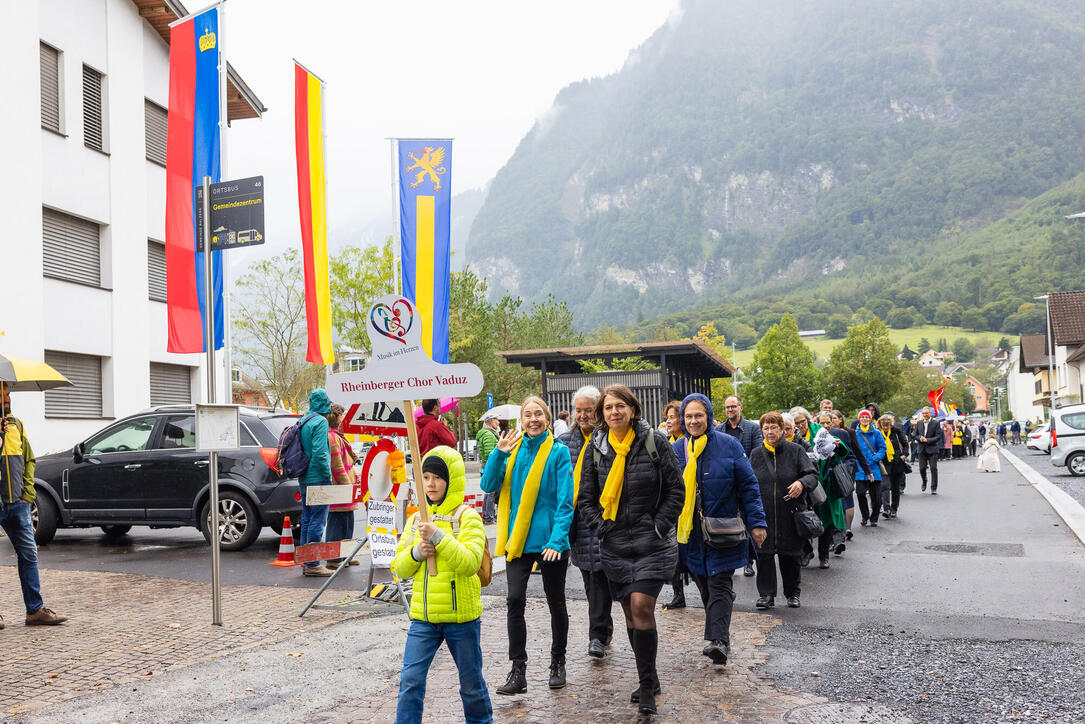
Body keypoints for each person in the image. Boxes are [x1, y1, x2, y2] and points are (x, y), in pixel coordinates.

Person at [578, 385, 685, 714]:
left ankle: (647, 689)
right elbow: (585, 498)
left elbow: (676, 489)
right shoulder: (596, 448)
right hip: (615, 545)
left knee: (641, 606)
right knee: (628, 611)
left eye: (620, 406)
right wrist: (600, 526)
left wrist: (660, 524)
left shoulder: (655, 442)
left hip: (651, 543)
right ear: (602, 414)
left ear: (632, 409)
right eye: (608, 408)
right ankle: (648, 677)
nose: (614, 412)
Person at [481, 396, 574, 695]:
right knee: (514, 600)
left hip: (549, 542)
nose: (533, 419)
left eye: (538, 414)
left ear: (547, 419)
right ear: (521, 420)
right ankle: (517, 670)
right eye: (528, 415)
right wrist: (498, 453)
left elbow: (565, 501)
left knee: (555, 601)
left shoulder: (558, 453)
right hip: (517, 539)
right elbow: (487, 485)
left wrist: (558, 540)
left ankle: (557, 662)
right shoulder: (511, 450)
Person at [667, 394, 765, 673]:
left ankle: (718, 641)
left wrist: (757, 523)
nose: (694, 421)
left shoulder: (729, 445)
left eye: (699, 415)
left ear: (709, 417)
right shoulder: (676, 450)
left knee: (720, 583)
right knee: (706, 587)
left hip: (723, 530)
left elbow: (748, 486)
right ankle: (721, 627)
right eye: (688, 416)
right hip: (690, 536)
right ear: (683, 419)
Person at [393, 446, 491, 724]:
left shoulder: (467, 516)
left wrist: (438, 537)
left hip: (461, 618)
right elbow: (399, 568)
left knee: (471, 686)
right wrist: (416, 553)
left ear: (452, 480)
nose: (431, 484)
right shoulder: (415, 519)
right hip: (423, 618)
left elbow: (470, 563)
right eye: (425, 477)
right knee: (410, 682)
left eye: (438, 477)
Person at [0, 382, 67, 628]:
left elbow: (29, 459)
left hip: (17, 502)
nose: (7, 397)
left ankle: (35, 610)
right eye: (3, 393)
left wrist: (27, 493)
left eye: (8, 393)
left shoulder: (15, 425)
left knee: (28, 554)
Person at [560, 386, 614, 658]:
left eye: (588, 410)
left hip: (603, 518)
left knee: (600, 575)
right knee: (589, 577)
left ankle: (597, 634)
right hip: (577, 522)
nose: (583, 415)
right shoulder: (563, 442)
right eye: (579, 410)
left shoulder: (609, 439)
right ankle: (603, 626)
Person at [749, 412, 817, 609]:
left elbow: (812, 475)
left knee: (791, 555)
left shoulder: (795, 451)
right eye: (766, 428)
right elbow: (748, 483)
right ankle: (766, 595)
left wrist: (801, 483)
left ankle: (792, 593)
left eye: (774, 427)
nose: (770, 432)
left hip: (791, 513)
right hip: (764, 514)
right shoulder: (756, 454)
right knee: (764, 556)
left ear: (782, 430)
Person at [299, 389, 334, 577]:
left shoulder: (304, 420)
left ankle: (306, 561)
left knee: (307, 519)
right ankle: (313, 563)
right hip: (318, 477)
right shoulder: (320, 422)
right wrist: (328, 475)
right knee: (318, 521)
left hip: (304, 477)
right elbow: (320, 453)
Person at [659, 400, 688, 609]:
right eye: (667, 418)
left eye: (672, 417)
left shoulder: (689, 442)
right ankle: (679, 594)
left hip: (690, 504)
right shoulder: (663, 442)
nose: (668, 421)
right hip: (672, 506)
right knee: (674, 552)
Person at [326, 403, 360, 568]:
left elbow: (348, 462)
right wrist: (348, 487)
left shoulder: (339, 436)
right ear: (335, 417)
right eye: (342, 416)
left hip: (347, 485)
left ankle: (346, 555)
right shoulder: (332, 437)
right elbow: (337, 466)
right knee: (337, 522)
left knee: (347, 521)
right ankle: (334, 558)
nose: (344, 419)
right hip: (341, 488)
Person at [853, 409, 887, 527]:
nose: (865, 419)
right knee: (860, 494)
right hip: (860, 469)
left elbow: (883, 448)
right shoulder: (855, 433)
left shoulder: (876, 433)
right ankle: (865, 516)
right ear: (859, 419)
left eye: (867, 417)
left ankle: (874, 518)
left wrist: (875, 458)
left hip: (874, 468)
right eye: (862, 417)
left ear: (870, 419)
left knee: (877, 498)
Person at [877, 414, 908, 519]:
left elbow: (905, 444)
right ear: (880, 425)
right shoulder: (877, 433)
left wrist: (904, 454)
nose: (885, 427)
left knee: (895, 488)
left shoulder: (896, 431)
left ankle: (894, 508)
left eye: (887, 425)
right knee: (885, 486)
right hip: (883, 462)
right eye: (883, 425)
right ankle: (886, 508)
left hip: (896, 462)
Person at [476, 415, 500, 523]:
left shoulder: (487, 433)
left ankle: (487, 515)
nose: (498, 422)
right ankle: (488, 517)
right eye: (496, 420)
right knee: (491, 490)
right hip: (491, 463)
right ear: (490, 421)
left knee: (489, 490)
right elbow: (490, 452)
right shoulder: (488, 434)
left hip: (487, 463)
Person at [912, 407, 942, 494]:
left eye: (926, 413)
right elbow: (914, 435)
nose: (925, 415)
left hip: (932, 449)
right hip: (921, 449)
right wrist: (919, 438)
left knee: (933, 468)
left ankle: (934, 487)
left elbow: (938, 436)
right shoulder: (919, 423)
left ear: (930, 413)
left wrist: (927, 440)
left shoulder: (936, 423)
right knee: (922, 468)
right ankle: (924, 481)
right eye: (923, 413)